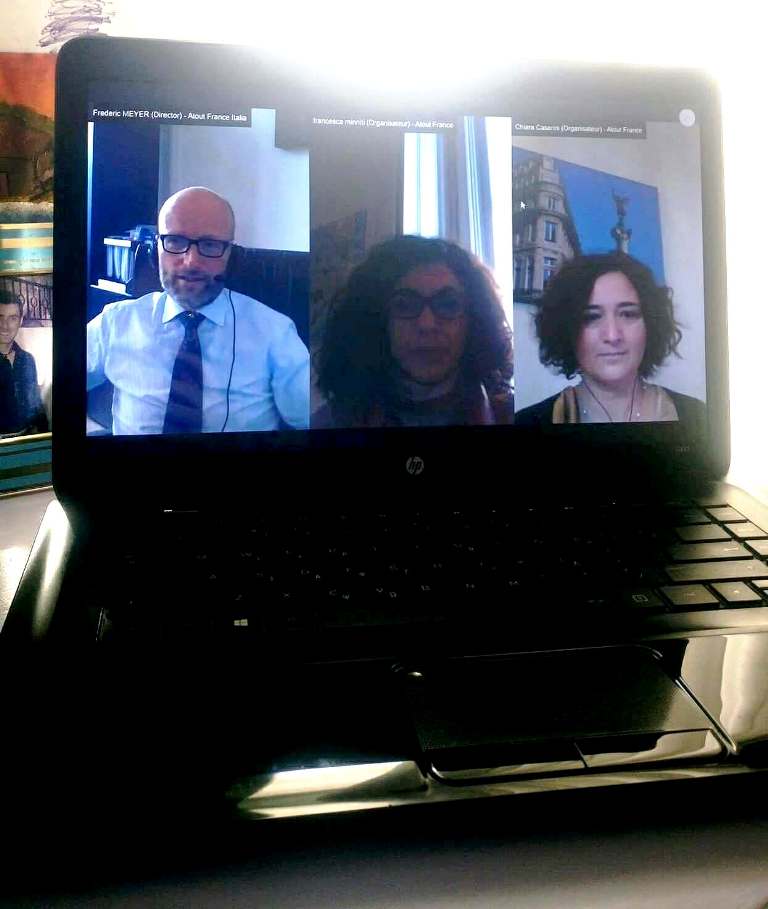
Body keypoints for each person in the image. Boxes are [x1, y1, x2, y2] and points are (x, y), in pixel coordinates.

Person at [87, 186, 309, 435]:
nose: (191, 261)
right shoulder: (114, 322)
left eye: (210, 245)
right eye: (174, 241)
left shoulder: (275, 333)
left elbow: (316, 419)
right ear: (155, 250)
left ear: (232, 257)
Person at [313, 235, 514, 428]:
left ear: (475, 319)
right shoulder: (329, 423)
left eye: (448, 304)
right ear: (377, 320)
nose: (427, 324)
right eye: (404, 305)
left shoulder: (508, 414)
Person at [515, 253, 705, 425]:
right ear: (565, 329)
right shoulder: (526, 423)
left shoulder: (698, 416)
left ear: (651, 324)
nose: (613, 335)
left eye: (628, 314)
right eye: (591, 317)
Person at [0, 291, 48, 436]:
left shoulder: (27, 359)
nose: (5, 326)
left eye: (13, 318)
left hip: (27, 438)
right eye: (0, 317)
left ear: (20, 321)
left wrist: (43, 435)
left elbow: (35, 403)